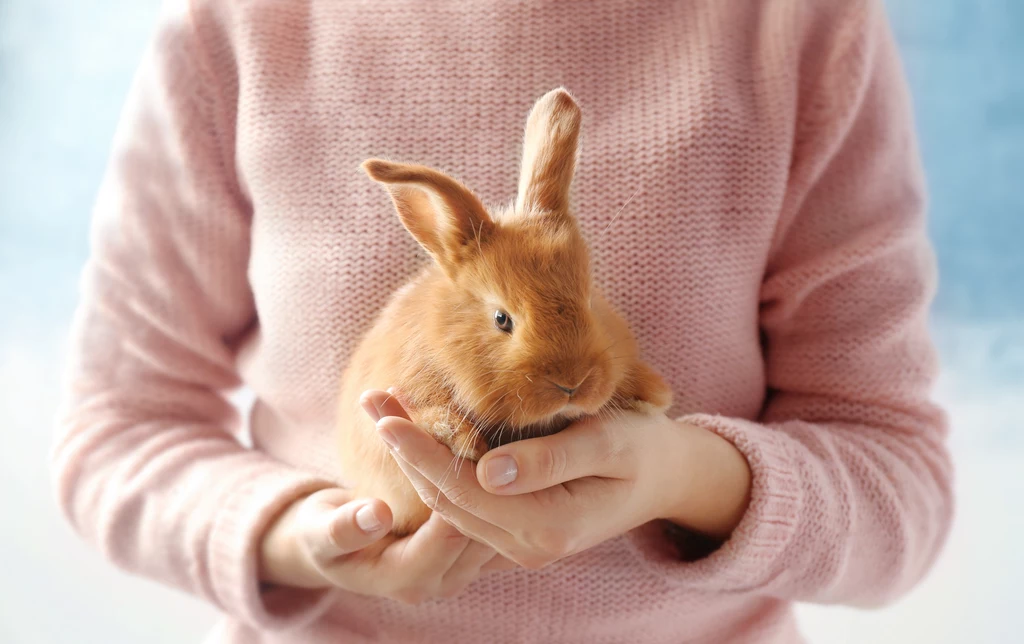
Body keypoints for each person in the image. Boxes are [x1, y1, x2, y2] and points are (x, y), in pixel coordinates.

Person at [50, 0, 954, 642]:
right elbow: (118, 430)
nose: (567, 367)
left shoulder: (807, 28)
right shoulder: (235, 28)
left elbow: (897, 483)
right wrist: (305, 540)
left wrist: (686, 477)